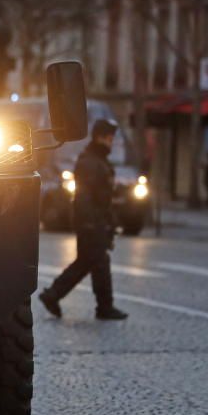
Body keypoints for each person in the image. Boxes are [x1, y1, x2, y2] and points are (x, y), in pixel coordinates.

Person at [39, 119, 128, 321]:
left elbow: (102, 196)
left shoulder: (97, 160)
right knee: (91, 262)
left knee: (95, 262)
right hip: (91, 222)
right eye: (109, 138)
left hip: (95, 220)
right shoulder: (90, 162)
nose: (111, 142)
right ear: (100, 137)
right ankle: (55, 295)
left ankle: (102, 306)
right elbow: (86, 196)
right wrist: (90, 223)